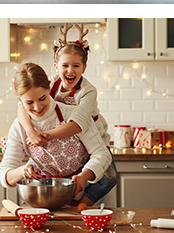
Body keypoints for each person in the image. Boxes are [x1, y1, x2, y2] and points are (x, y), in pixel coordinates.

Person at [16, 23, 117, 211]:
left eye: (76, 66)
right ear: (56, 66)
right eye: (65, 65)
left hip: (92, 138)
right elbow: (22, 106)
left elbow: (77, 124)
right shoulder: (50, 83)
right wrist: (31, 132)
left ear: (84, 68)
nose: (70, 71)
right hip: (61, 142)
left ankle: (82, 203)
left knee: (110, 177)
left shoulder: (88, 92)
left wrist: (45, 135)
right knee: (34, 169)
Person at [0, 62, 112, 210]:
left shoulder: (73, 115)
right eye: (29, 102)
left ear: (49, 88)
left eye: (42, 98)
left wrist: (84, 176)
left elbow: (102, 153)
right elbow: (5, 173)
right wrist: (22, 171)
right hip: (43, 202)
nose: (37, 107)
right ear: (20, 101)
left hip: (84, 199)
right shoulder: (19, 127)